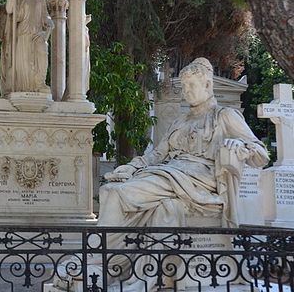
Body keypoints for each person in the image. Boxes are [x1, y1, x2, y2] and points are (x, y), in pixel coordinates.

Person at [100, 57, 268, 229]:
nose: (186, 91)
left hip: (198, 177)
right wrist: (132, 167)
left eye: (191, 85)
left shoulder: (224, 115)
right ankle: (114, 252)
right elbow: (158, 154)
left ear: (207, 85)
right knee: (107, 190)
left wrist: (240, 145)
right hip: (170, 172)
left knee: (115, 194)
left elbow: (261, 155)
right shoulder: (179, 121)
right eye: (184, 86)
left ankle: (103, 254)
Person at [0, 0, 54, 95]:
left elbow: (46, 18)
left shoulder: (41, 0)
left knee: (41, 58)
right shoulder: (22, 1)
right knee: (23, 64)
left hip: (37, 35)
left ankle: (39, 85)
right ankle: (22, 88)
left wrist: (47, 32)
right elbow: (10, 10)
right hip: (23, 35)